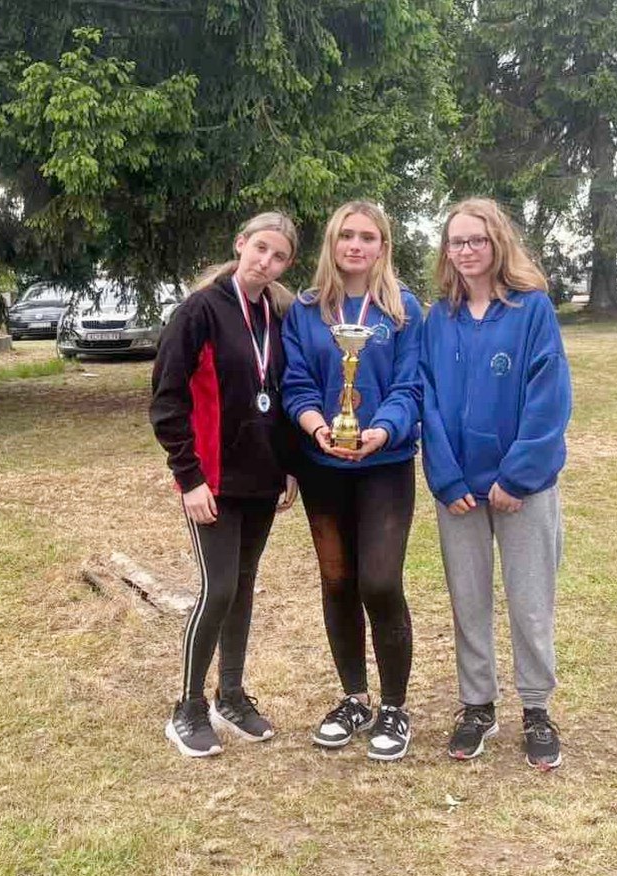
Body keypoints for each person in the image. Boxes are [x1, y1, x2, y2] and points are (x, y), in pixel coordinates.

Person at [419, 197, 572, 770]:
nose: (466, 251)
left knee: (530, 601)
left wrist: (518, 476)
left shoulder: (532, 310)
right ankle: (477, 705)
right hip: (459, 488)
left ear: (497, 243)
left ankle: (536, 708)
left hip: (520, 488)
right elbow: (427, 400)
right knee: (469, 600)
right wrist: (445, 476)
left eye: (476, 240)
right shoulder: (439, 319)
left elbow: (549, 399)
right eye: (456, 242)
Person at [150, 212, 301, 758]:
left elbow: (283, 394)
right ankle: (187, 708)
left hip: (262, 477)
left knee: (242, 585)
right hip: (210, 480)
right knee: (217, 589)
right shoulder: (199, 311)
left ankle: (231, 696)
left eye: (279, 256)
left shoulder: (279, 315)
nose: (266, 262)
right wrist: (188, 476)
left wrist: (289, 466)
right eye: (260, 248)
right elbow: (167, 400)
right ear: (240, 244)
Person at [281, 200, 423, 761]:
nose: (356, 245)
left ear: (383, 246)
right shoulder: (306, 310)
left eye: (367, 237)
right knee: (337, 581)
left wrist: (381, 431)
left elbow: (411, 386)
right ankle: (354, 698)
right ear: (332, 244)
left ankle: (394, 707)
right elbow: (295, 383)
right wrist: (317, 427)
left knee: (380, 583)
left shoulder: (403, 309)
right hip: (323, 466)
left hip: (385, 464)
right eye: (347, 236)